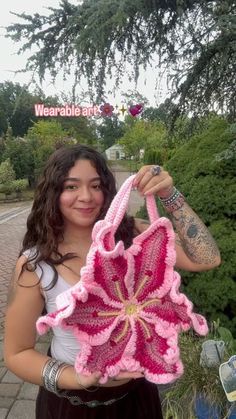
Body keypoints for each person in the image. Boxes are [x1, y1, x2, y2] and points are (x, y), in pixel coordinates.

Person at [4, 144, 221, 419]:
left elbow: (208, 258)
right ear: (53, 192)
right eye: (71, 186)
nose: (86, 196)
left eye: (96, 185)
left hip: (137, 399)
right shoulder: (37, 264)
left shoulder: (133, 235)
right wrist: (76, 377)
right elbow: (17, 353)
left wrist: (169, 195)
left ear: (106, 190)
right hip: (72, 407)